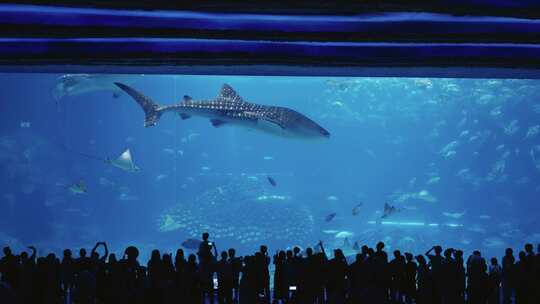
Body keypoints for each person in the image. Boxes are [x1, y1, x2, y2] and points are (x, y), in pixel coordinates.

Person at [197, 232, 217, 303]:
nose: (203, 237)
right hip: (208, 274)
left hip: (204, 271)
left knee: (203, 290)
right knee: (210, 291)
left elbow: (201, 252)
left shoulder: (202, 244)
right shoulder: (209, 243)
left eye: (203, 236)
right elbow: (211, 247)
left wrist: (201, 255)